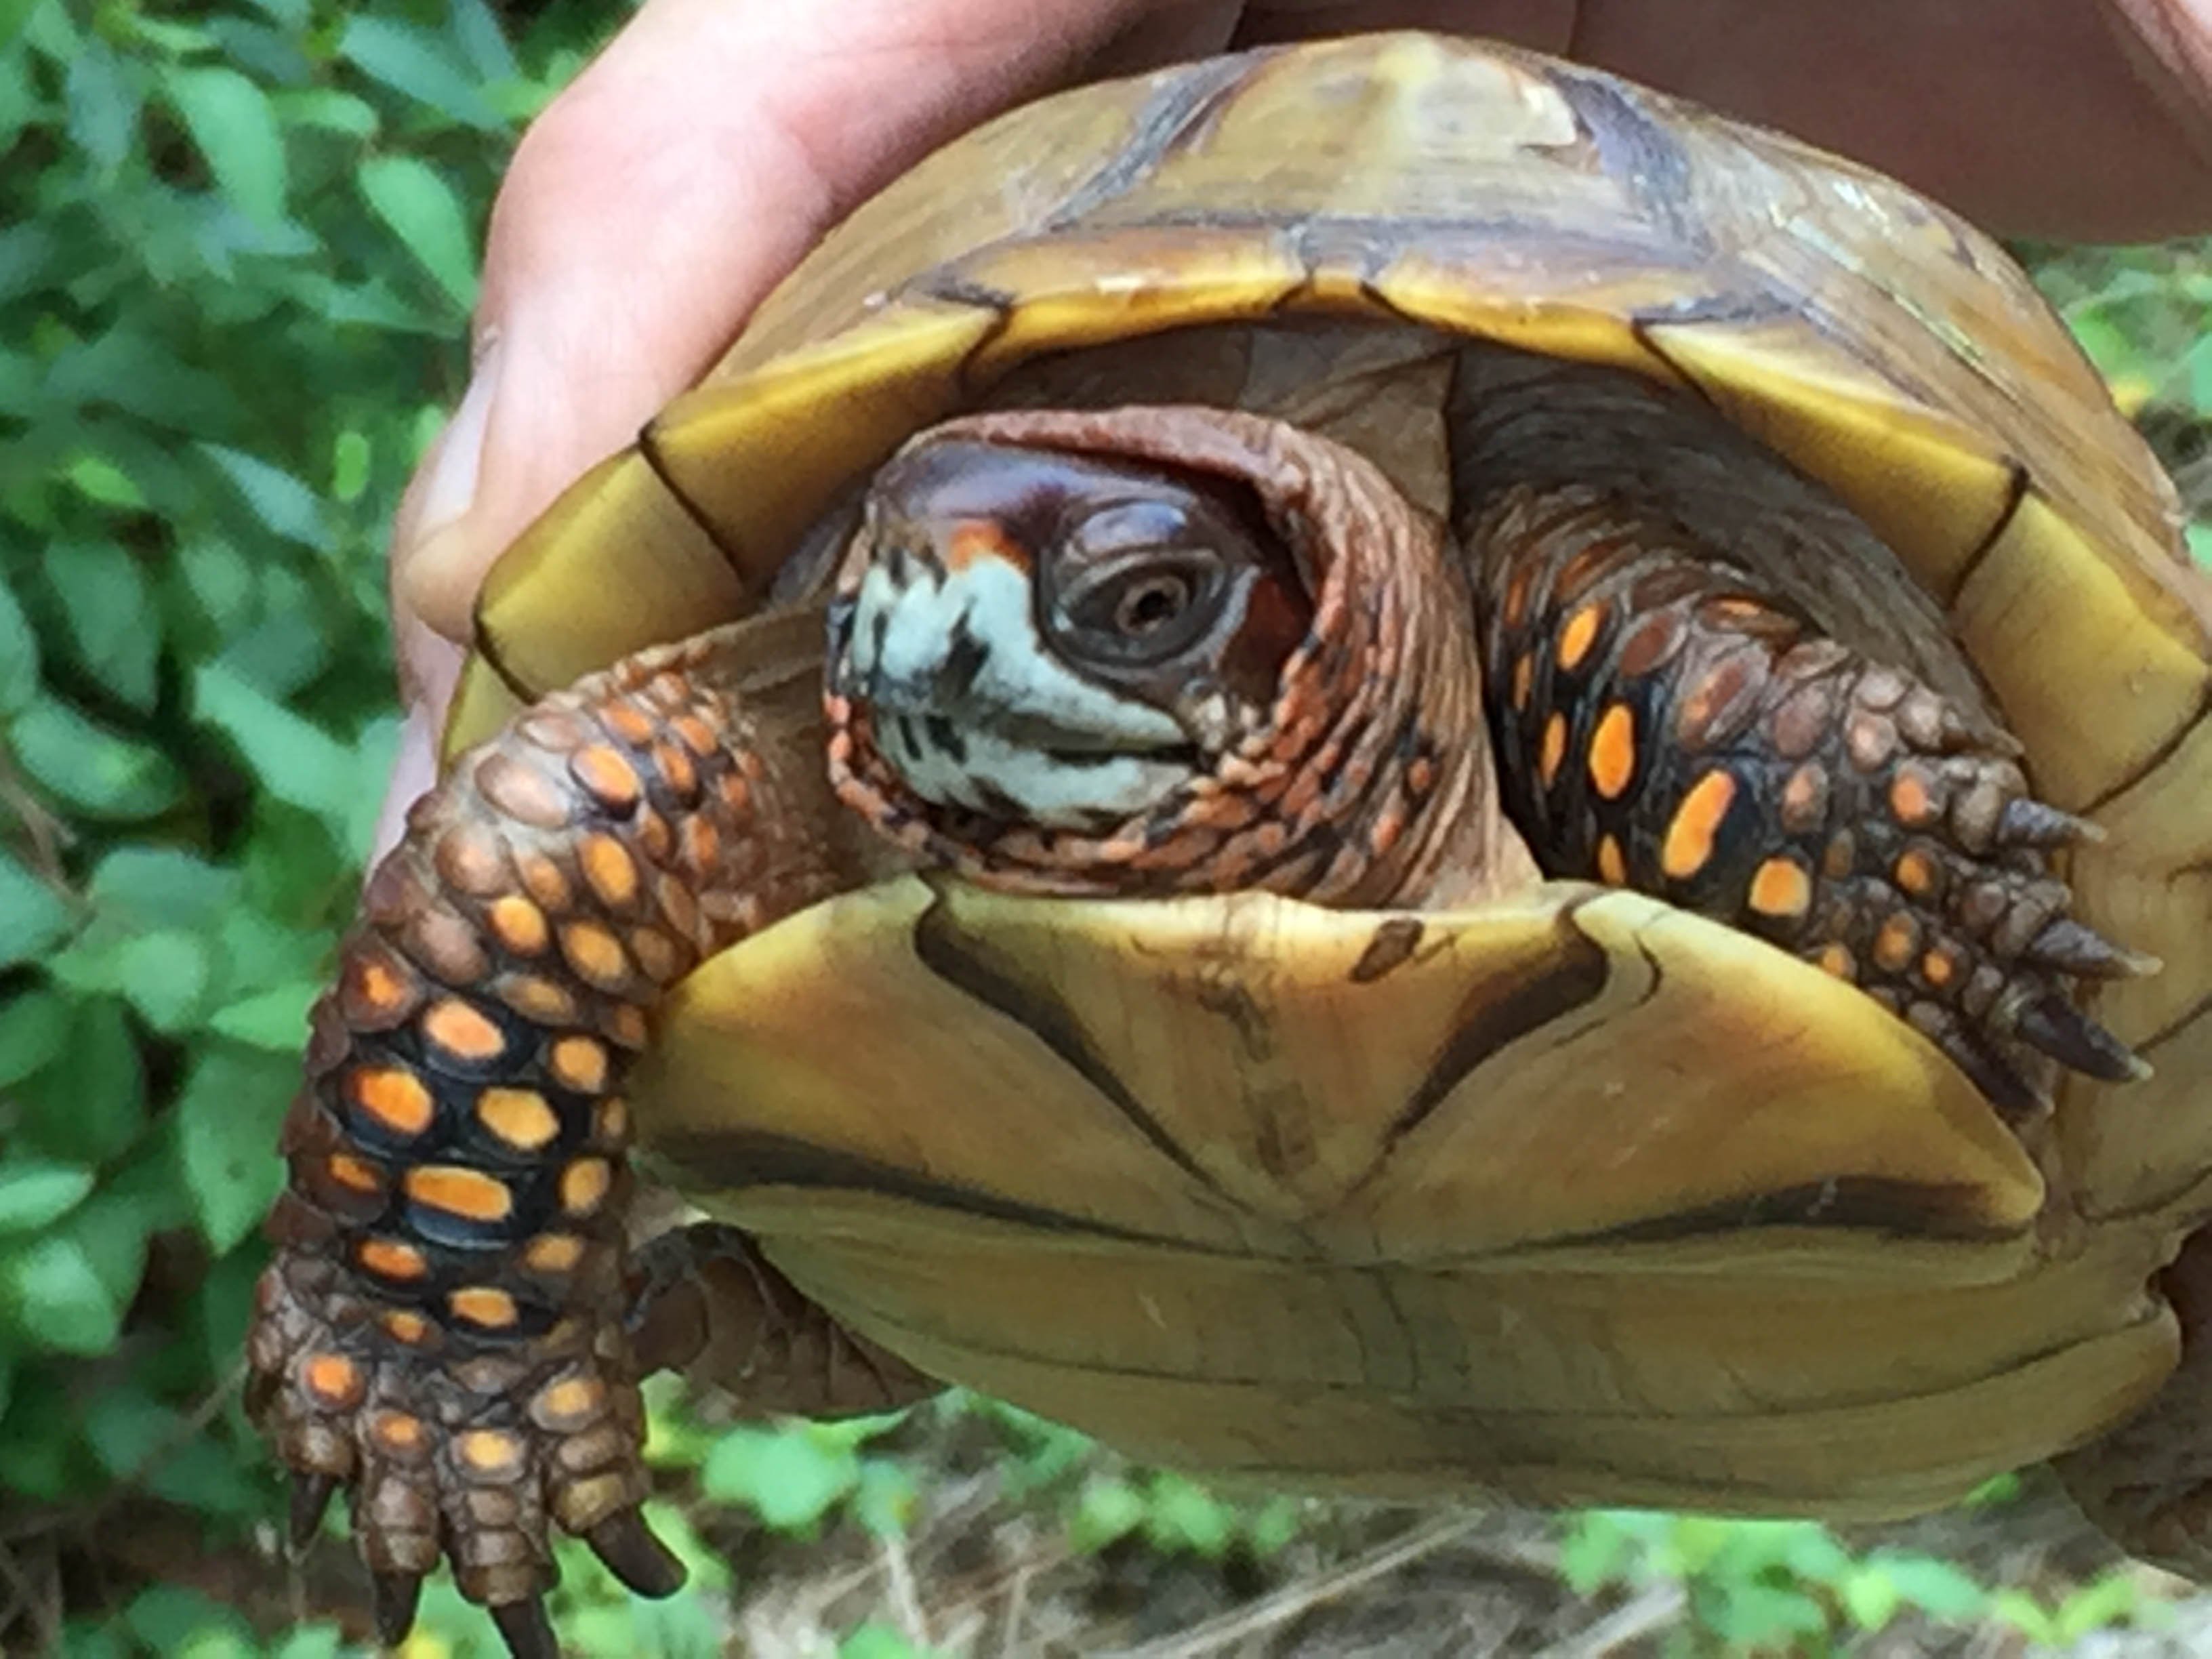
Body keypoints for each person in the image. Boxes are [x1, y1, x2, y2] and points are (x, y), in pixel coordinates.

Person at [374, 0, 2212, 855]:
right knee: (545, 836)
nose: (945, 652)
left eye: (1144, 603)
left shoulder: (1568, 615)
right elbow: (563, 828)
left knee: (1643, 648)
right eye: (873, 593)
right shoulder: (818, 763)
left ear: (1321, 620)